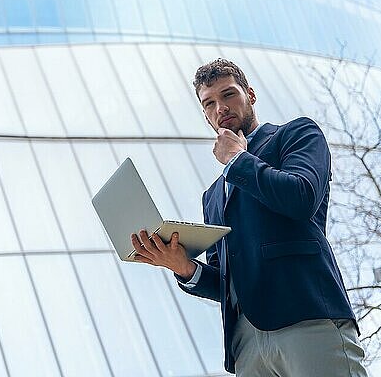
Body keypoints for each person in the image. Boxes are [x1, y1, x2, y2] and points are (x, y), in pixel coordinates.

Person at [130, 59, 368, 376]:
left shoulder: (297, 134)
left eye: (229, 95)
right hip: (246, 344)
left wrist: (236, 160)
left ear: (250, 95)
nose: (221, 108)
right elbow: (227, 280)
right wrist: (183, 267)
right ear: (205, 115)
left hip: (306, 316)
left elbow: (301, 198)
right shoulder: (212, 196)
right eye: (210, 103)